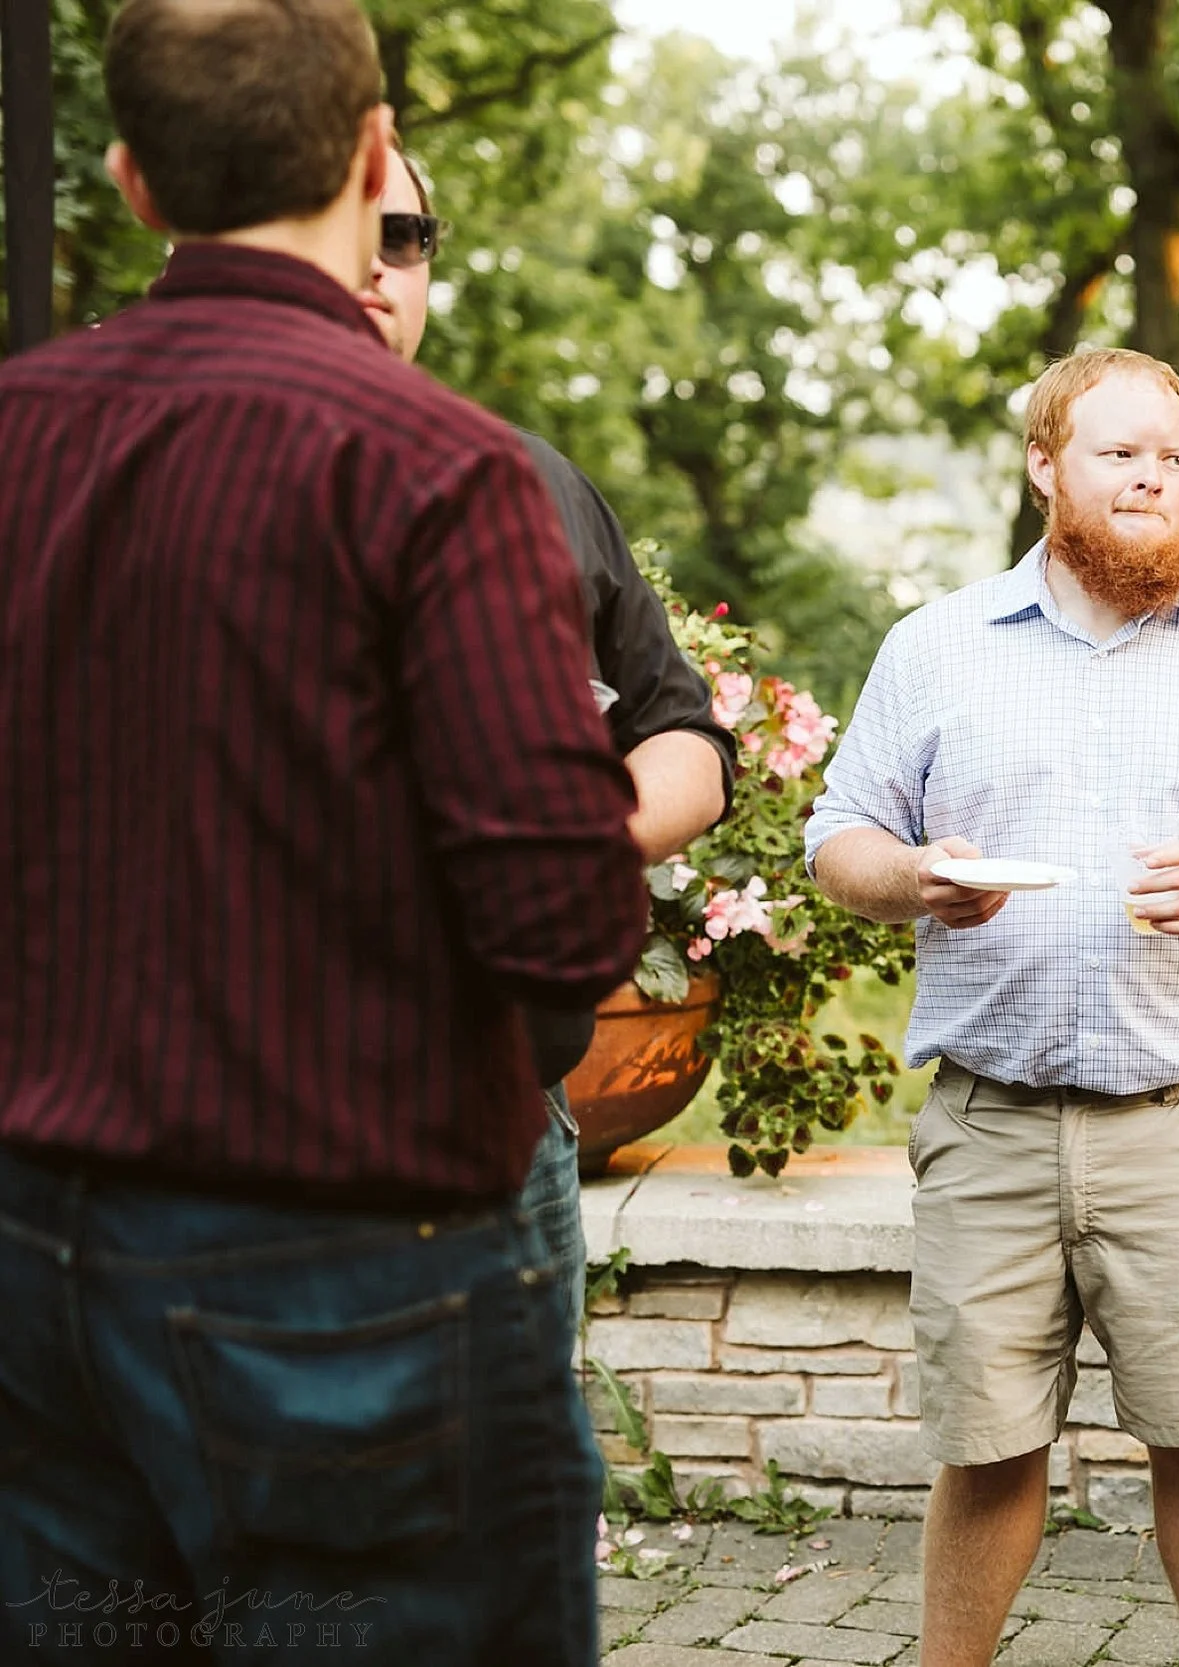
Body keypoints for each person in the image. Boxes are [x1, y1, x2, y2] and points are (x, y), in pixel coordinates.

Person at [0, 1, 646, 1663]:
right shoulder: (442, 469)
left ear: (138, 181)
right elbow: (566, 927)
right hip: (352, 1289)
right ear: (372, 161)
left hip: (34, 1262)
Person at [805, 347, 1179, 1667]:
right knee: (989, 1449)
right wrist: (913, 877)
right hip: (989, 1124)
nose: (1149, 477)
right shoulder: (939, 645)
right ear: (1043, 464)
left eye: (1171, 458)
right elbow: (838, 838)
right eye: (1119, 451)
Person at [359, 139, 737, 1336]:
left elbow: (685, 730)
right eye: (342, 225)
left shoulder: (534, 482)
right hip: (264, 1145)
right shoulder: (172, 472)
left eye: (404, 237)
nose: (377, 267)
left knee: (517, 1514)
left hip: (513, 1123)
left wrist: (580, 836)